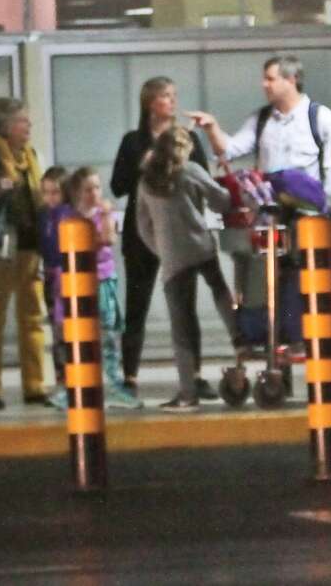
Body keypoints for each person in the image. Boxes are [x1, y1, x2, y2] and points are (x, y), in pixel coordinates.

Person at [110, 76, 214, 395]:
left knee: (185, 305)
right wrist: (140, 166)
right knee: (137, 304)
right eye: (166, 96)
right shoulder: (133, 142)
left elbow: (204, 180)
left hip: (179, 231)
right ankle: (130, 376)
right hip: (142, 231)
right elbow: (117, 186)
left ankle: (194, 374)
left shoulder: (186, 139)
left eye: (173, 94)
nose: (173, 101)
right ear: (150, 103)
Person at [135, 127, 237, 411]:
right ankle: (238, 338)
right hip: (201, 246)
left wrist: (162, 249)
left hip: (173, 257)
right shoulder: (190, 170)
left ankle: (187, 394)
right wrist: (226, 185)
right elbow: (221, 201)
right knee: (219, 289)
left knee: (181, 326)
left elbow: (143, 226)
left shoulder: (145, 181)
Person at [0, 96, 50, 409]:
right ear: (5, 126)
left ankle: (35, 384)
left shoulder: (33, 157)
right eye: (21, 121)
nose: (28, 126)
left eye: (27, 120)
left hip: (31, 247)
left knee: (32, 318)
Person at [204, 53, 331, 196]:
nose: (264, 85)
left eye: (270, 79)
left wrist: (325, 207)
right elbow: (228, 150)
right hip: (270, 207)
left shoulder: (321, 119)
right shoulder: (261, 119)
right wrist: (212, 128)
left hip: (308, 207)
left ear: (291, 80)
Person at [66, 166, 140, 409]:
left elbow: (108, 239)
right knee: (84, 334)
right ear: (77, 192)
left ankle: (112, 382)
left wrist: (106, 215)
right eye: (88, 189)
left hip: (104, 279)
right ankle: (83, 383)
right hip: (82, 283)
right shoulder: (72, 218)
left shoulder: (102, 214)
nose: (94, 194)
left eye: (97, 188)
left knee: (108, 332)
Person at [37, 165, 69, 405]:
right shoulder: (44, 215)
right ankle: (61, 381)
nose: (50, 198)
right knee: (56, 333)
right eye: (46, 192)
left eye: (55, 192)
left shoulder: (66, 214)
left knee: (64, 332)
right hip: (50, 277)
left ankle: (68, 381)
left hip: (64, 277)